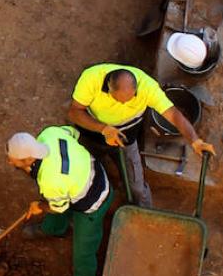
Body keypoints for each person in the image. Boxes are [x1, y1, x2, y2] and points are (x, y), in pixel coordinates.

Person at [67, 63, 214, 208]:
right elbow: (74, 112)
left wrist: (195, 141)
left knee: (136, 187)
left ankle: (143, 214)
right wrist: (104, 129)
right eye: (119, 100)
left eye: (131, 98)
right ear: (108, 88)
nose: (125, 104)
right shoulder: (91, 79)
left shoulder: (147, 87)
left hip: (126, 138)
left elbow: (174, 115)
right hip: (92, 134)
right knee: (84, 176)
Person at [7, 127, 113, 276]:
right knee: (52, 197)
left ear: (28, 160)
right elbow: (74, 133)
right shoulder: (49, 134)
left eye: (12, 160)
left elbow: (59, 208)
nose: (9, 161)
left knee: (83, 253)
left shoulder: (50, 180)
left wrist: (39, 206)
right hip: (87, 173)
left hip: (94, 199)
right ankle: (53, 229)